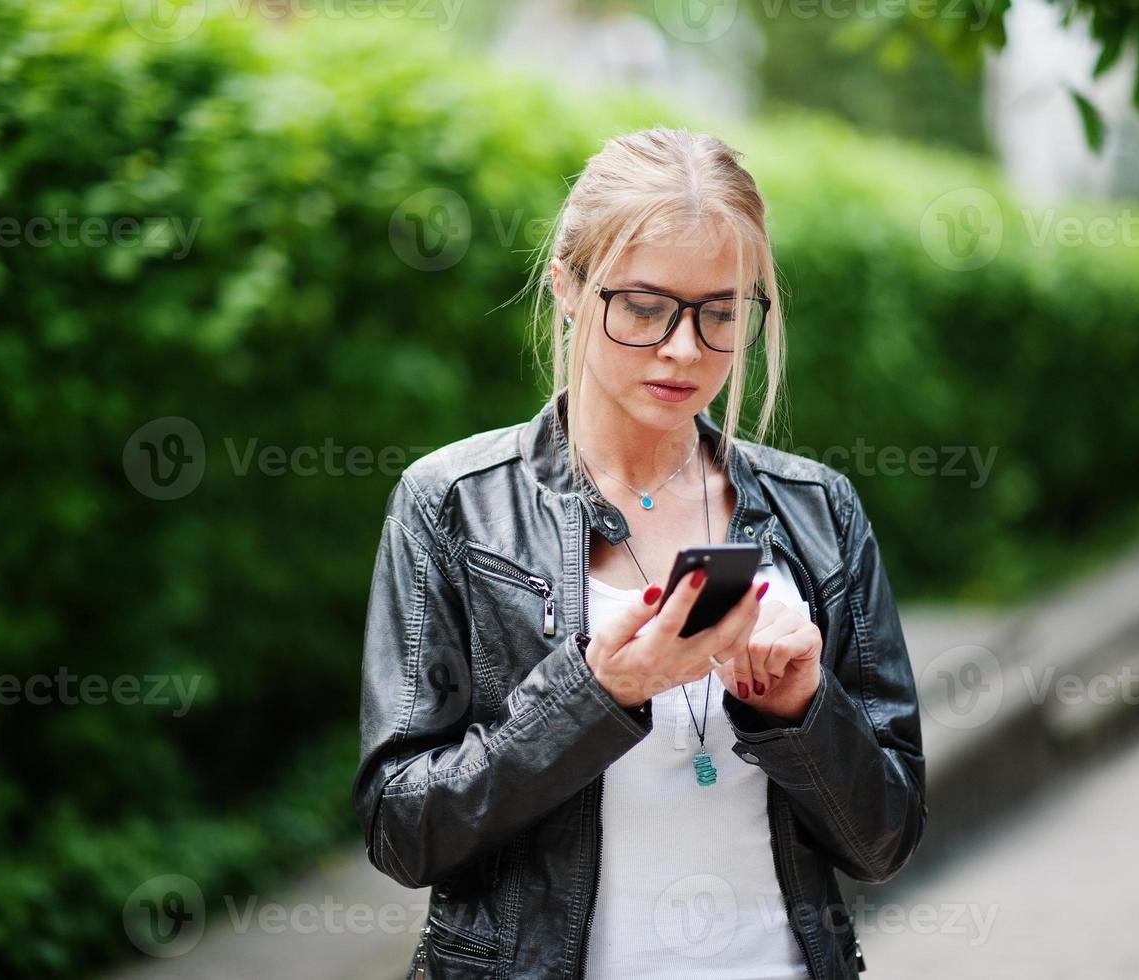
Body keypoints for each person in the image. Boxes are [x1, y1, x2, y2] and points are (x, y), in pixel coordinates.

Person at [352, 126, 927, 980]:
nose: (685, 349)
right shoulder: (453, 504)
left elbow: (883, 841)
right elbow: (404, 830)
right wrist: (598, 695)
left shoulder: (817, 511)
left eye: (721, 312)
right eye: (645, 307)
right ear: (569, 289)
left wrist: (802, 708)